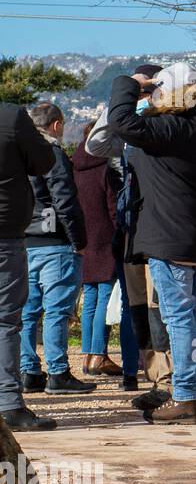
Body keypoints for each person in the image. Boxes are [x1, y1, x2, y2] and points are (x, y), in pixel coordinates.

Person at [107, 64, 196, 425]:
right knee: (194, 315)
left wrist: (128, 85)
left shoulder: (171, 129)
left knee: (178, 317)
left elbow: (121, 124)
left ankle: (187, 396)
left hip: (170, 236)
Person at [86, 64, 171, 407]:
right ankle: (138, 373)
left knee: (160, 305)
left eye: (147, 92)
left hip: (157, 228)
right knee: (134, 305)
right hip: (131, 227)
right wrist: (122, 101)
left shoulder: (167, 126)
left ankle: (168, 378)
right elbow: (96, 144)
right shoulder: (129, 130)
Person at [21, 101, 94, 396]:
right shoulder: (53, 155)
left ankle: (28, 371)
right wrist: (79, 241)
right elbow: (65, 200)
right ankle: (59, 372)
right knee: (56, 311)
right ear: (56, 125)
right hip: (56, 242)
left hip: (25, 241)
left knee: (27, 311)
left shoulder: (19, 156)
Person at [0, 101, 57, 431]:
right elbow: (45, 160)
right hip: (5, 232)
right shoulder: (11, 116)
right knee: (6, 320)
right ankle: (8, 403)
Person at [71, 131, 125, 378]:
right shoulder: (106, 170)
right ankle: (98, 355)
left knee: (91, 296)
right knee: (104, 293)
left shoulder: (75, 168)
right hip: (105, 237)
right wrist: (122, 233)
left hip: (85, 237)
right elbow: (114, 208)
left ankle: (88, 355)